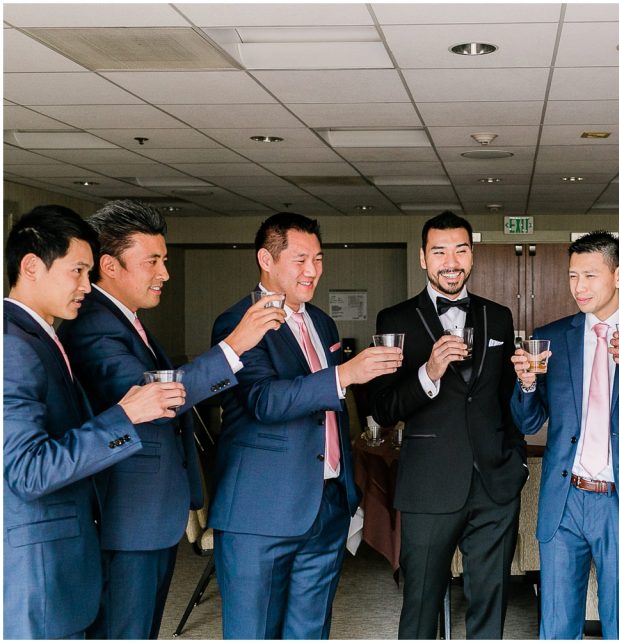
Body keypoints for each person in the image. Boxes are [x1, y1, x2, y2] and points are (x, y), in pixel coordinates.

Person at [57, 200, 286, 639]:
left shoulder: (125, 320)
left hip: (149, 514)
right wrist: (235, 346)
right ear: (109, 265)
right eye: (153, 262)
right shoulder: (91, 325)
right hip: (126, 516)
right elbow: (153, 397)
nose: (164, 273)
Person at [211, 212, 401, 639]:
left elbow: (325, 409)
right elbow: (262, 400)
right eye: (300, 260)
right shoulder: (237, 322)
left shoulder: (321, 322)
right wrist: (344, 375)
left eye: (317, 258)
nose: (312, 270)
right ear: (266, 259)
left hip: (327, 501)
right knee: (254, 631)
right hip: (261, 511)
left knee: (311, 630)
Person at [3, 206, 184, 639]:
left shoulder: (39, 337)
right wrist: (126, 416)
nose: (88, 285)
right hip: (38, 569)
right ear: (31, 266)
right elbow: (27, 472)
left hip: (69, 554)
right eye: (78, 271)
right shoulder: (13, 346)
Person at [370, 211, 528, 639]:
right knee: (421, 602)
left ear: (472, 256)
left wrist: (517, 462)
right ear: (423, 258)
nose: (451, 261)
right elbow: (383, 409)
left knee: (490, 602)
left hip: (495, 484)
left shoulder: (498, 317)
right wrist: (430, 373)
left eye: (460, 249)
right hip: (428, 485)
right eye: (439, 251)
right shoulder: (394, 320)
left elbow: (504, 397)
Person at [509, 231, 619, 639]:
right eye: (572, 276)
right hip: (564, 498)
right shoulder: (553, 336)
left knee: (617, 620)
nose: (579, 287)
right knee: (557, 622)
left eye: (590, 276)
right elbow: (529, 423)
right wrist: (525, 385)